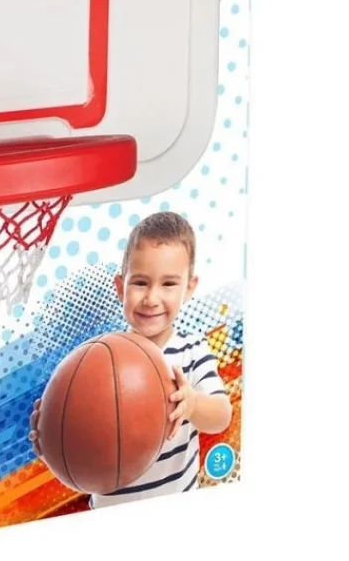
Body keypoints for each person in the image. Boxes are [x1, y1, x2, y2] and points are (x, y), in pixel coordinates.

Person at [31, 211, 231, 504]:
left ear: (189, 288)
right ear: (120, 287)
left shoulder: (192, 349)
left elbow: (221, 416)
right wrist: (52, 437)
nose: (151, 299)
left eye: (168, 284)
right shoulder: (98, 361)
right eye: (140, 283)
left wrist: (192, 403)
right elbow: (82, 442)